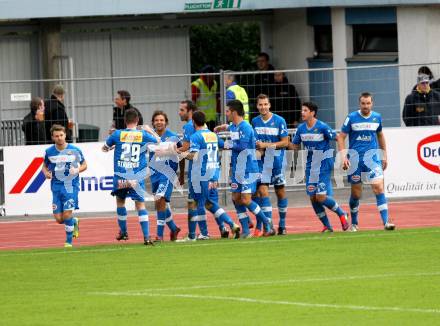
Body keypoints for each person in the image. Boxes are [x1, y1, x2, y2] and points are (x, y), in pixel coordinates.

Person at [214, 100, 274, 238]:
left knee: (246, 199)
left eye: (228, 111)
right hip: (236, 169)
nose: (226, 113)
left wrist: (224, 144)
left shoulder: (246, 127)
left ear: (234, 112)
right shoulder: (234, 126)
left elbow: (243, 146)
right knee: (235, 198)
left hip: (248, 169)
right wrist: (221, 127)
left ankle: (267, 223)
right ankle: (246, 230)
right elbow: (231, 128)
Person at [178, 111, 241, 241]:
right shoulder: (213, 135)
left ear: (194, 122)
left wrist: (181, 154)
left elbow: (194, 156)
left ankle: (204, 233)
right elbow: (224, 146)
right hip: (213, 173)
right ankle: (230, 225)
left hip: (201, 174)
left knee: (198, 203)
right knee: (209, 203)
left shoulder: (195, 136)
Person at [337, 92, 395, 231]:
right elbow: (341, 137)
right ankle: (355, 223)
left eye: (368, 103)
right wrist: (344, 156)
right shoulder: (351, 118)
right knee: (356, 194)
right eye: (363, 103)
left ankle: (386, 222)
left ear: (372, 103)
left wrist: (384, 155)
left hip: (373, 159)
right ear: (359, 103)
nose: (366, 106)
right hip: (355, 160)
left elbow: (380, 135)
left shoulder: (377, 117)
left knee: (379, 188)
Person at [102, 108, 159, 246]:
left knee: (120, 202)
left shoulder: (117, 134)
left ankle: (123, 232)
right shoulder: (143, 135)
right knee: (140, 205)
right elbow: (158, 141)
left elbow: (104, 148)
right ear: (137, 120)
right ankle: (146, 237)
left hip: (121, 176)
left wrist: (112, 147)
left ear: (124, 121)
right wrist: (150, 130)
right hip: (136, 177)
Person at [292, 102, 349, 233]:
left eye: (305, 110)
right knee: (313, 197)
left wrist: (343, 156)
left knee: (321, 197)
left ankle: (342, 214)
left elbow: (339, 137)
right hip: (310, 167)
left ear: (312, 113)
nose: (302, 113)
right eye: (302, 110)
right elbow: (294, 145)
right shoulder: (301, 129)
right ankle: (327, 226)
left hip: (324, 164)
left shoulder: (322, 127)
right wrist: (277, 143)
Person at [42, 124, 87, 247]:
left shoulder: (75, 150)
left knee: (67, 214)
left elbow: (84, 165)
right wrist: (46, 173)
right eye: (56, 136)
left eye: (61, 135)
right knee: (59, 219)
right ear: (52, 137)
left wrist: (77, 170)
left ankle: (68, 242)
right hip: (56, 187)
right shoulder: (49, 152)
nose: (59, 138)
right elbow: (44, 166)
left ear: (65, 135)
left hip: (71, 186)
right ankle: (74, 222)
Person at [251, 94, 289, 235]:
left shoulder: (279, 121)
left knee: (280, 193)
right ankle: (268, 225)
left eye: (265, 104)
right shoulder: (254, 121)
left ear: (270, 105)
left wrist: (266, 145)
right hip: (262, 164)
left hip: (277, 163)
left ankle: (282, 225)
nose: (263, 107)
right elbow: (255, 143)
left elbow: (285, 142)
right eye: (260, 105)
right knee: (262, 192)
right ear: (257, 106)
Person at [177, 100, 211, 239]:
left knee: (193, 202)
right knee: (208, 202)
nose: (179, 112)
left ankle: (194, 234)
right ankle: (223, 227)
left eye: (182, 110)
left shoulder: (189, 127)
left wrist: (168, 150)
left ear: (190, 111)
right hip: (209, 169)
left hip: (197, 171)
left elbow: (185, 149)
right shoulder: (205, 128)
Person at [148, 110, 181, 242]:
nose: (159, 122)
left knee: (160, 199)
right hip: (154, 173)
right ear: (153, 123)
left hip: (167, 173)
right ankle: (173, 228)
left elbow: (182, 151)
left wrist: (181, 174)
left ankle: (159, 235)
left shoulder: (173, 136)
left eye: (161, 120)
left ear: (166, 122)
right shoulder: (149, 136)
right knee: (159, 203)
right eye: (156, 120)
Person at [192, 65, 219, 130]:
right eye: (212, 75)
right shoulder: (197, 84)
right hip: (201, 119)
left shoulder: (214, 83)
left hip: (212, 118)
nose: (213, 77)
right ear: (206, 75)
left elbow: (216, 99)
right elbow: (193, 102)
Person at [250, 52, 276, 120]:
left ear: (267, 62)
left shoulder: (274, 74)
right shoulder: (257, 75)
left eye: (262, 61)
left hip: (272, 106)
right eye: (258, 61)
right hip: (259, 106)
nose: (260, 63)